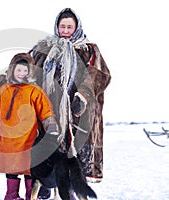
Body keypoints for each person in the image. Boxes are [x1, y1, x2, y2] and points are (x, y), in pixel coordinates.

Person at [29, 8, 111, 199]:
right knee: (45, 148)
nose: (65, 30)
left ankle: (72, 188)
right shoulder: (44, 48)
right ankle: (46, 183)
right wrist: (6, 80)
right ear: (57, 27)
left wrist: (82, 96)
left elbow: (99, 74)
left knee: (74, 153)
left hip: (77, 111)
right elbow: (24, 66)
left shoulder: (89, 49)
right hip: (48, 109)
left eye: (69, 27)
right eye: (62, 26)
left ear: (76, 28)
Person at [0, 53, 61, 200]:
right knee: (11, 168)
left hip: (28, 139)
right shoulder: (4, 90)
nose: (22, 74)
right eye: (19, 70)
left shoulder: (35, 91)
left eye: (26, 71)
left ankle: (30, 195)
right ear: (12, 70)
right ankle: (11, 195)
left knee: (30, 169)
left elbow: (46, 111)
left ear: (30, 72)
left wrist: (51, 130)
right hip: (7, 139)